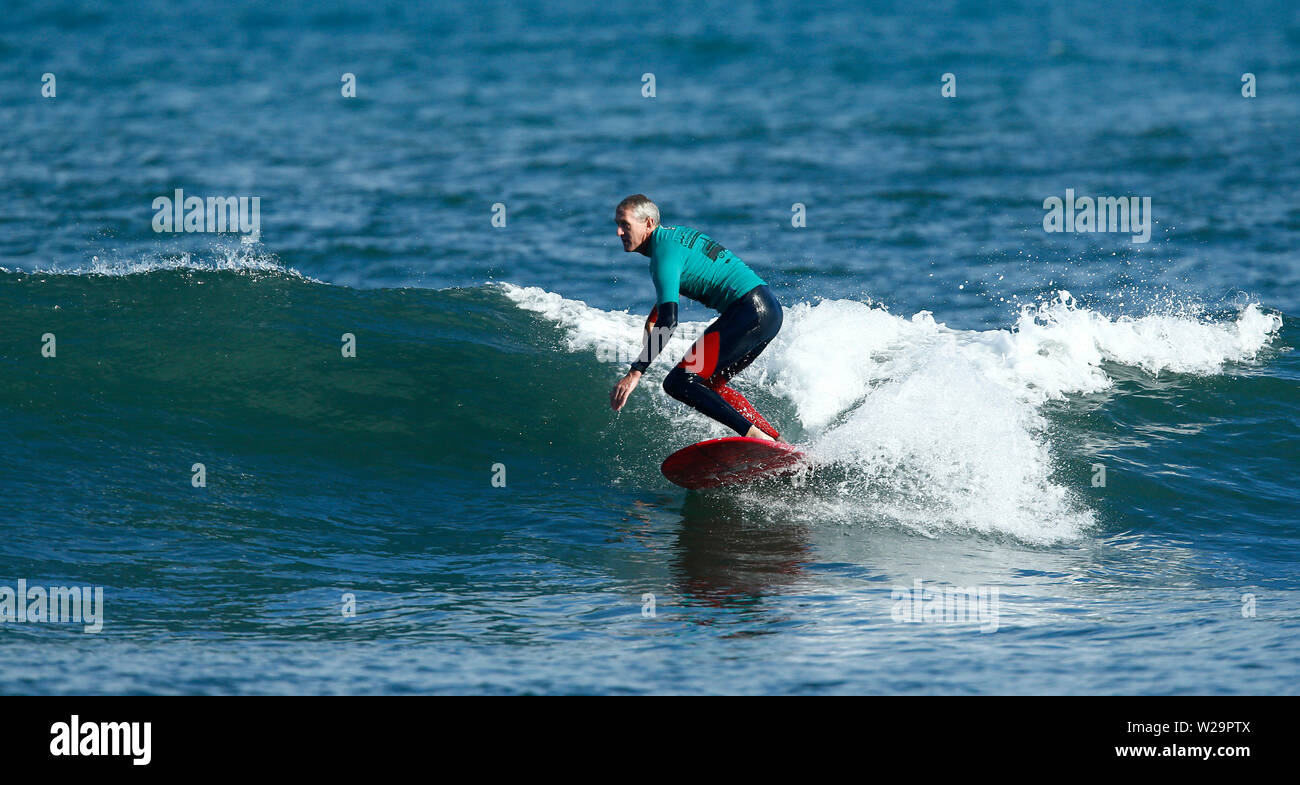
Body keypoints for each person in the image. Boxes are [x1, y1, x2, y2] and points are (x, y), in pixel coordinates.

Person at [608, 194, 784, 442]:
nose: (618, 232)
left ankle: (756, 437)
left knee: (679, 382)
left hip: (748, 311)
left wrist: (636, 372)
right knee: (710, 384)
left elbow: (669, 322)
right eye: (617, 224)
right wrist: (654, 313)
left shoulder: (661, 256)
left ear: (648, 223)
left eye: (625, 224)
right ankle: (776, 441)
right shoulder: (674, 237)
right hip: (769, 311)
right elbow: (687, 273)